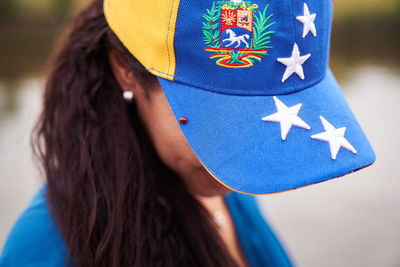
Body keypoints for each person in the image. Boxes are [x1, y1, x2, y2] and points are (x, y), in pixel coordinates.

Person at [0, 0, 375, 266]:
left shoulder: (218, 174)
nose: (243, 151)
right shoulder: (49, 251)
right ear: (125, 67)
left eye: (255, 122)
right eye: (220, 117)